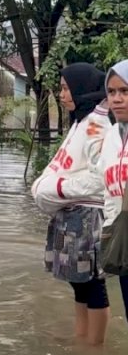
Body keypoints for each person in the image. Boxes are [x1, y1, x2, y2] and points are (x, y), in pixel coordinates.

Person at [32, 63, 111, 345]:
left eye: (65, 88)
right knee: (77, 282)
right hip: (72, 212)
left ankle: (95, 345)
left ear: (81, 89)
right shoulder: (81, 121)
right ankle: (82, 337)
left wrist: (58, 188)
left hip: (88, 215)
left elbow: (100, 179)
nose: (62, 94)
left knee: (92, 283)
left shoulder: (97, 126)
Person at [97, 59, 128, 324]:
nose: (117, 99)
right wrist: (109, 230)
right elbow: (108, 192)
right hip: (124, 244)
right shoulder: (112, 137)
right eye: (112, 92)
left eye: (125, 91)